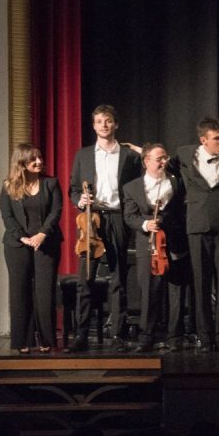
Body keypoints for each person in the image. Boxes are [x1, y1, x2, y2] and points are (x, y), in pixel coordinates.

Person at [67, 104, 142, 352]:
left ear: (116, 124)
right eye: (99, 121)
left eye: (108, 121)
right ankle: (81, 335)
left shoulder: (130, 156)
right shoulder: (84, 154)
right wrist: (80, 200)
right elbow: (74, 188)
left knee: (118, 277)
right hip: (92, 218)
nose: (104, 125)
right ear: (94, 125)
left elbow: (136, 188)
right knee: (85, 278)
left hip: (118, 217)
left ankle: (118, 335)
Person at [170, 116, 219, 352]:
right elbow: (166, 165)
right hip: (197, 227)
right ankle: (204, 336)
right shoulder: (184, 154)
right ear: (203, 141)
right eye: (216, 138)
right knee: (200, 283)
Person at [122, 143, 188, 352]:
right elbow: (130, 216)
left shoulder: (177, 183)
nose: (163, 162)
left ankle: (175, 336)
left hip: (174, 241)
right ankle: (147, 336)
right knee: (149, 291)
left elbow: (181, 211)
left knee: (176, 290)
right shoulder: (131, 187)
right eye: (158, 158)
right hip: (148, 245)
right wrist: (145, 224)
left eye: (165, 157)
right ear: (146, 161)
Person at [0, 144, 62, 354]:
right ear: (21, 163)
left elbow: (56, 211)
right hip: (17, 245)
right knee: (20, 292)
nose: (39, 162)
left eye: (40, 157)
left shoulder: (50, 183)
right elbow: (7, 217)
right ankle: (22, 341)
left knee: (45, 292)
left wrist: (42, 234)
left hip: (47, 243)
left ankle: (47, 340)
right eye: (33, 159)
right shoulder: (9, 186)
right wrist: (24, 238)